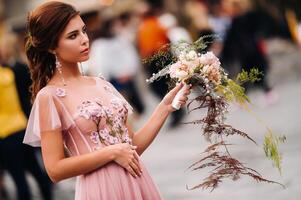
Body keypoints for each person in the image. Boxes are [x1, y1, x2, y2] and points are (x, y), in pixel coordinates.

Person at [23, 2, 190, 199]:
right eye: (72, 36)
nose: (84, 40)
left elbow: (132, 146)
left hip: (137, 181)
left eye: (83, 31)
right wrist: (110, 153)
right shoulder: (49, 97)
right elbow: (55, 169)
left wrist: (164, 107)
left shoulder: (102, 84)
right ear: (52, 46)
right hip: (100, 190)